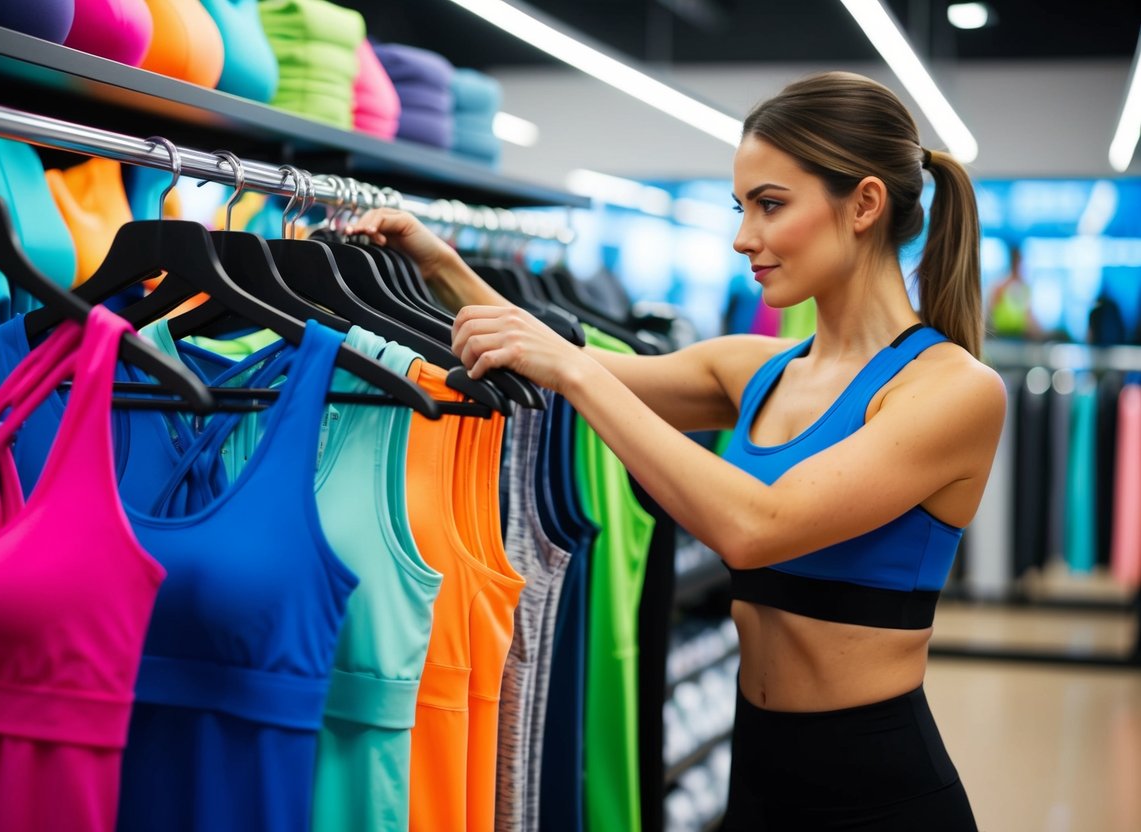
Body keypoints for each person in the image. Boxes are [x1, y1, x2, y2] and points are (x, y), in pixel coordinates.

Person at [347, 71, 1003, 831]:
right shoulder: (758, 370)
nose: (742, 238)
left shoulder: (952, 390)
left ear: (862, 204)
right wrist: (440, 268)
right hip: (755, 768)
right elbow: (568, 365)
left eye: (769, 205)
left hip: (875, 787)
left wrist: (576, 368)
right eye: (740, 207)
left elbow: (756, 524)